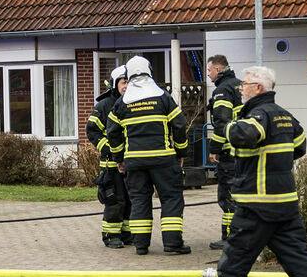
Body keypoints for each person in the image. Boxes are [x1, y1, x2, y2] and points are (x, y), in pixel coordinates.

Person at [197, 65, 307, 277]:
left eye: (245, 84)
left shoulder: (259, 115)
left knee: (237, 252)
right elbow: (300, 145)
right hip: (284, 201)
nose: (241, 88)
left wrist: (224, 126)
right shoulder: (285, 116)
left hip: (257, 201)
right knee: (295, 252)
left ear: (259, 88)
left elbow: (245, 135)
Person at [113, 56, 190, 255]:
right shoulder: (163, 97)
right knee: (171, 198)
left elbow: (112, 131)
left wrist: (119, 158)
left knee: (139, 200)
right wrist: (181, 152)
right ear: (149, 71)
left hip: (135, 162)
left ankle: (140, 245)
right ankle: (172, 244)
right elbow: (179, 125)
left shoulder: (122, 103)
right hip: (163, 160)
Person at [85, 68, 131, 248]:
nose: (126, 86)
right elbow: (91, 130)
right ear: (114, 84)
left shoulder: (134, 103)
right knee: (115, 199)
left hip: (130, 163)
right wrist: (108, 148)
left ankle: (126, 233)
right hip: (111, 164)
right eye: (123, 82)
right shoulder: (104, 106)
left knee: (130, 200)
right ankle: (111, 235)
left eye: (129, 81)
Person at [206, 55, 243, 251]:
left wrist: (214, 149)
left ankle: (230, 237)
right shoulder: (241, 85)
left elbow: (221, 122)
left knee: (227, 195)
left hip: (229, 152)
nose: (208, 74)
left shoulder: (222, 91)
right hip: (245, 151)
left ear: (219, 69)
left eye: (210, 70)